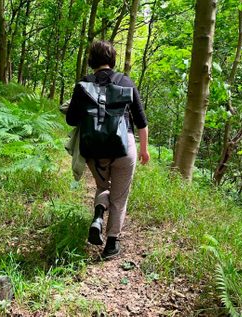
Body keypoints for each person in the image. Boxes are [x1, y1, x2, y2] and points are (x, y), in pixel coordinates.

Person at [66, 40, 150, 259]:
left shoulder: (83, 84)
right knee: (120, 196)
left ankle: (98, 215)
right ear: (113, 60)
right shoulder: (126, 82)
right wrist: (144, 150)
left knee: (103, 185)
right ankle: (111, 244)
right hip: (124, 148)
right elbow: (141, 121)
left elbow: (71, 119)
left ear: (91, 60)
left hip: (94, 148)